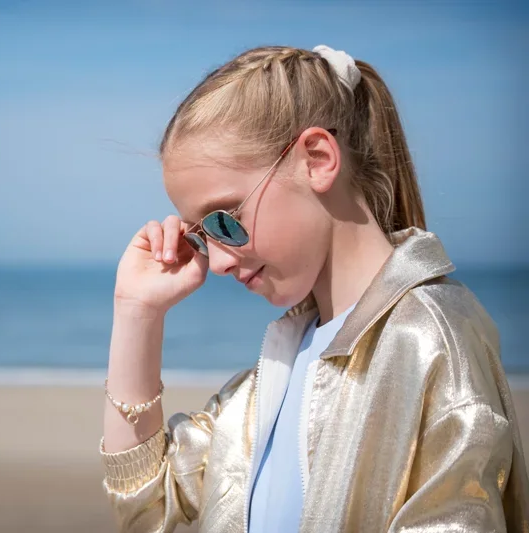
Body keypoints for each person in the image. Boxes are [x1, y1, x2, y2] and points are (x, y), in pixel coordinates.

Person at [99, 44, 529, 532]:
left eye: (224, 220)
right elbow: (149, 506)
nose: (216, 260)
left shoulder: (431, 339)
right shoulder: (273, 376)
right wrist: (136, 312)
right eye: (200, 235)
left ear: (318, 159)